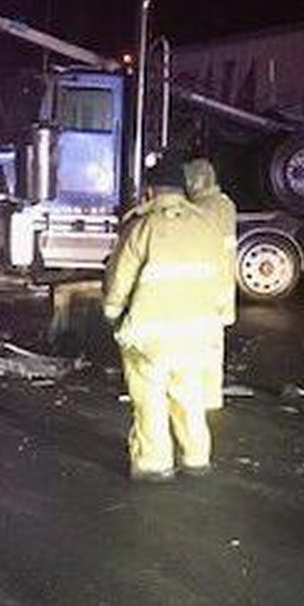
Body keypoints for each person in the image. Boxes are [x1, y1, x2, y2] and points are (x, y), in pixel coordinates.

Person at [103, 150, 224, 482]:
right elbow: (222, 275)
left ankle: (154, 464)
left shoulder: (142, 227)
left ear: (151, 190)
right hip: (197, 332)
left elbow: (119, 279)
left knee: (150, 398)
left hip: (151, 334)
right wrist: (220, 317)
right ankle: (197, 458)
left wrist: (112, 312)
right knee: (188, 394)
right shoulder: (207, 225)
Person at [184, 158, 238, 410]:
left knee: (195, 344)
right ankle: (211, 397)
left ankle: (195, 395)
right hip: (223, 286)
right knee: (214, 345)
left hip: (201, 287)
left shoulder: (199, 210)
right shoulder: (226, 205)